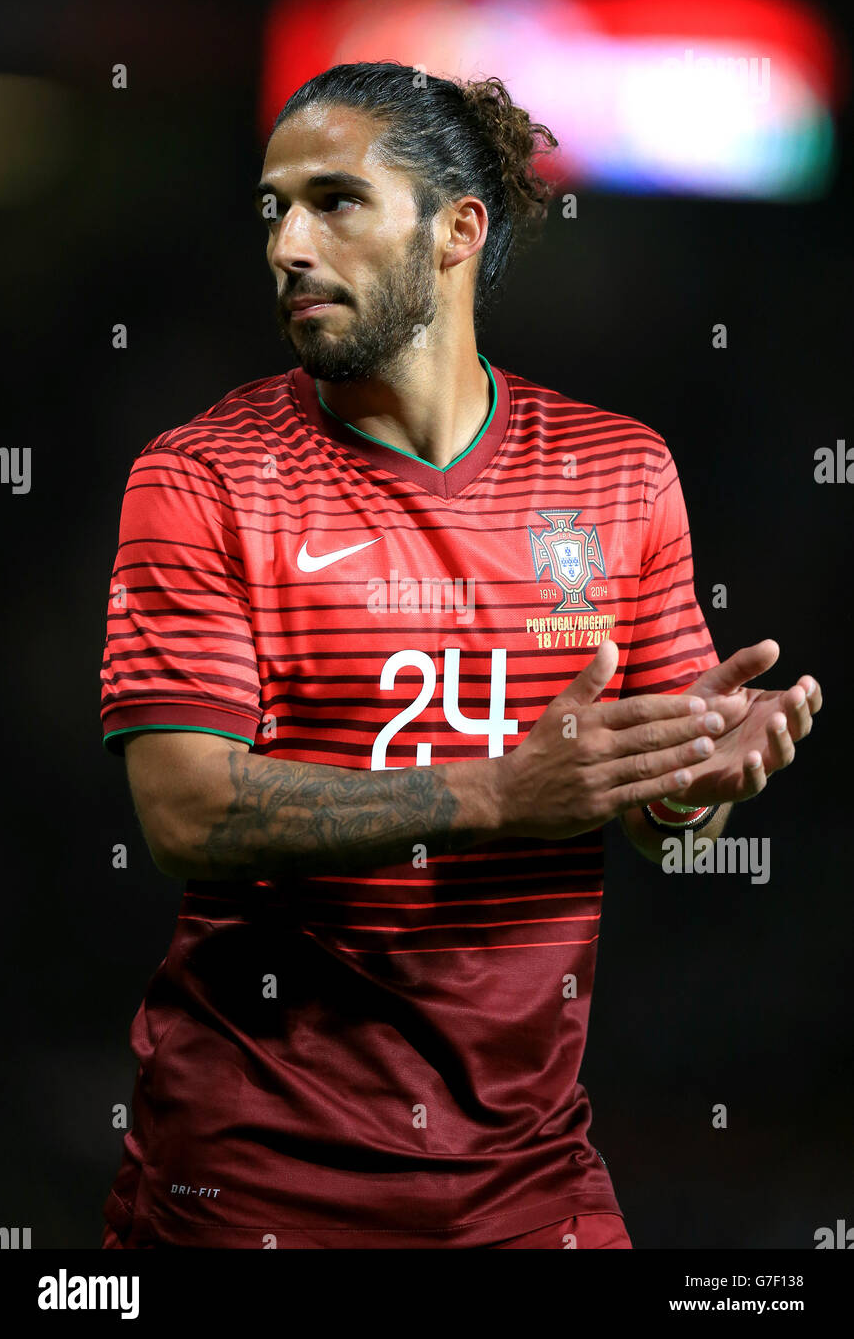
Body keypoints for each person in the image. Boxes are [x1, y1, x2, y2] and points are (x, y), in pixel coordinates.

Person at [99, 63, 821, 1250]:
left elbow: (660, 826)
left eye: (334, 200)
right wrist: (496, 792)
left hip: (527, 1183)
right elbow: (183, 811)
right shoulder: (200, 475)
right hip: (254, 1187)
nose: (287, 242)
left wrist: (693, 789)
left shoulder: (617, 470)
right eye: (272, 207)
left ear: (455, 229)